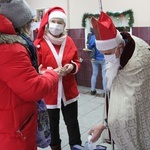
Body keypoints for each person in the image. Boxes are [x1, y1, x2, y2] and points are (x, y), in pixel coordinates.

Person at [0, 0, 60, 150]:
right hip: (13, 129)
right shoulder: (10, 49)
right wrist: (53, 73)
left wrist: (33, 73)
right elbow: (34, 89)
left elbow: (13, 78)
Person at [88, 11, 150, 150]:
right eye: (103, 54)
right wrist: (105, 123)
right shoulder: (117, 56)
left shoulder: (139, 60)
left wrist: (113, 122)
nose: (106, 59)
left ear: (120, 48)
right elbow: (113, 95)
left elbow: (135, 104)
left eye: (108, 54)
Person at [34, 6, 82, 150]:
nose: (56, 25)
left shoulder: (69, 41)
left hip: (69, 91)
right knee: (52, 126)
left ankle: (76, 147)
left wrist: (71, 67)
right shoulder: (39, 44)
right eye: (53, 21)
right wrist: (51, 72)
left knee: (72, 122)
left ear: (64, 25)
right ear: (48, 23)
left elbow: (76, 61)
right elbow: (35, 68)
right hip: (50, 93)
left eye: (59, 22)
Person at [87, 28, 106, 95]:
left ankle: (92, 90)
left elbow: (89, 47)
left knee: (94, 74)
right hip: (104, 58)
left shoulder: (93, 37)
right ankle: (105, 92)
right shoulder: (105, 36)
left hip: (94, 58)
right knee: (104, 75)